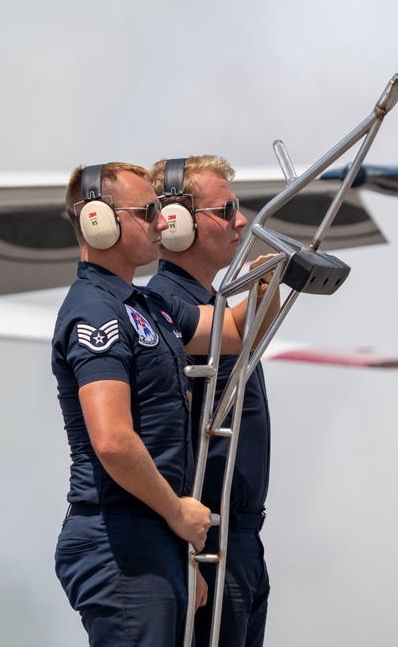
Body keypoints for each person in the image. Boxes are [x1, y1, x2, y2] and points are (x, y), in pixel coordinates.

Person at [52, 162, 276, 647]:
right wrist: (177, 514)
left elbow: (232, 334)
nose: (162, 222)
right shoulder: (95, 308)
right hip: (122, 535)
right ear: (99, 221)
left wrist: (270, 280)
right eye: (148, 211)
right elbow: (112, 441)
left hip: (153, 538)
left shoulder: (145, 306)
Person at [147, 156, 272, 647]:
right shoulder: (164, 307)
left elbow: (247, 332)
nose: (241, 221)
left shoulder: (211, 307)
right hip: (207, 542)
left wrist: (267, 285)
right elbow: (162, 443)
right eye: (226, 210)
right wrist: (187, 557)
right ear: (176, 224)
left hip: (238, 539)